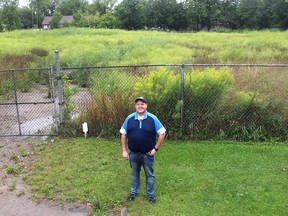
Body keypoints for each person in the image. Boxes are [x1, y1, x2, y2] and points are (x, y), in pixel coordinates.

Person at [120, 96, 166, 204]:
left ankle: (150, 195)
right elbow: (123, 133)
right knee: (134, 173)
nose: (140, 106)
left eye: (142, 104)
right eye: (138, 104)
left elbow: (162, 133)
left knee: (149, 175)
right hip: (134, 154)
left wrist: (155, 149)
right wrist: (124, 150)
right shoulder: (129, 118)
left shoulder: (152, 118)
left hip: (148, 154)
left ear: (146, 105)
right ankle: (133, 192)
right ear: (135, 106)